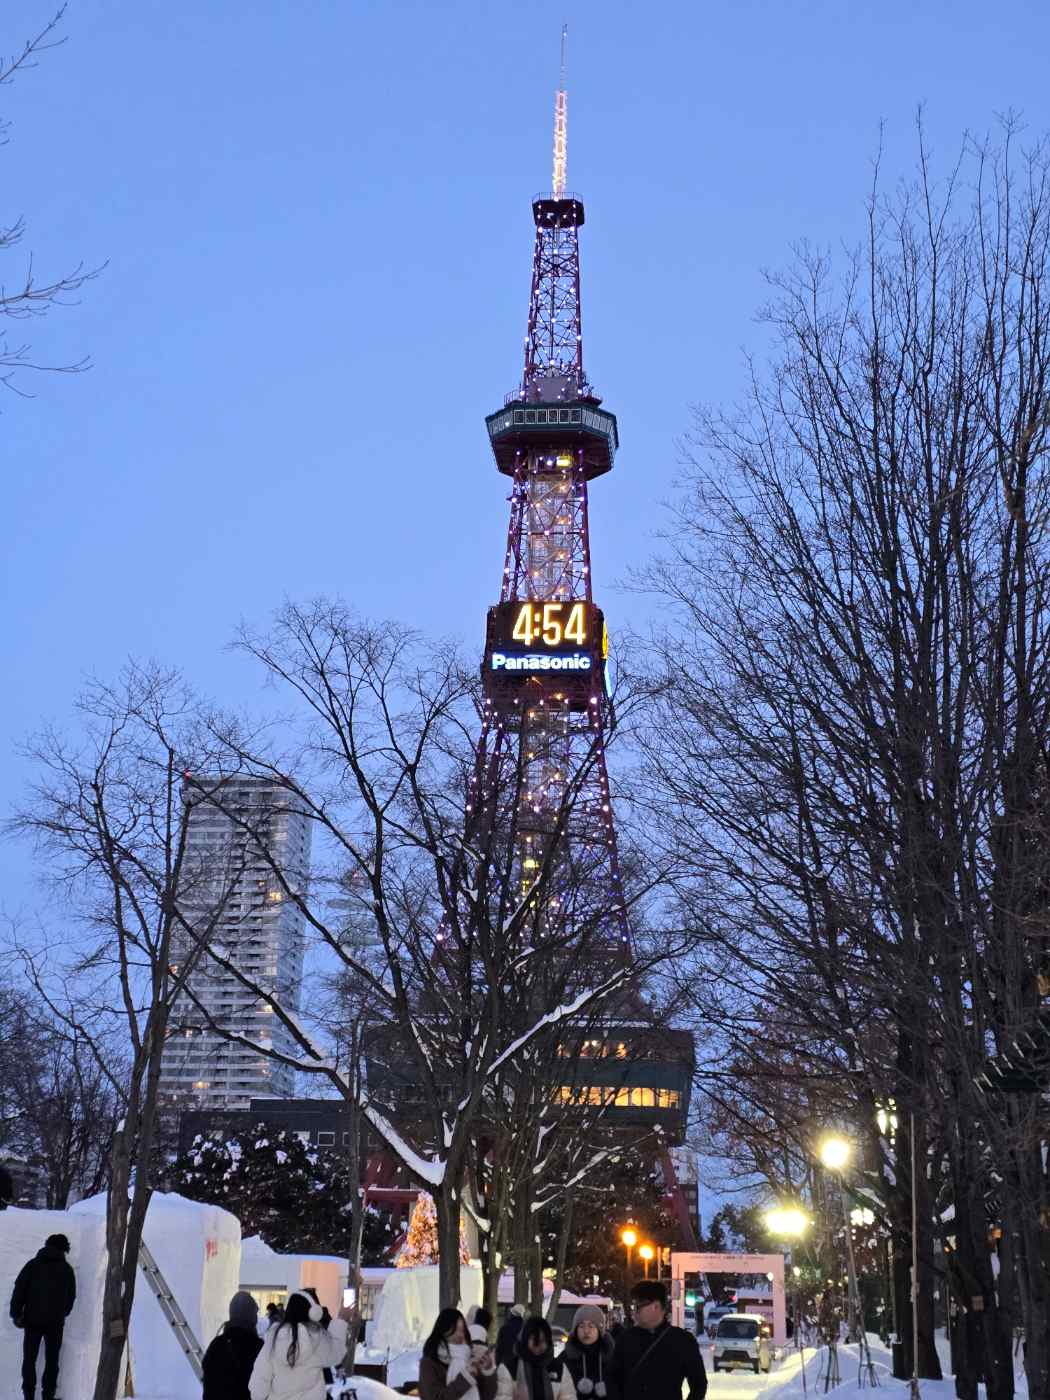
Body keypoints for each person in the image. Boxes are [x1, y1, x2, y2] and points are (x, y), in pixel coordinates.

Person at [606, 1281, 707, 1400]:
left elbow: (699, 1384)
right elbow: (612, 1379)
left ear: (656, 1306)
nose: (634, 1311)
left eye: (638, 1306)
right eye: (633, 1306)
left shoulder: (682, 1341)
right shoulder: (625, 1339)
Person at [10, 1232, 76, 1400]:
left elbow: (19, 1289)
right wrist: (63, 1312)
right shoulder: (67, 1270)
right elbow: (71, 1297)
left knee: (29, 1360)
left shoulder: (32, 1265)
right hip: (55, 1323)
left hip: (32, 1320)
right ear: (64, 1249)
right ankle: (48, 1396)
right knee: (52, 1362)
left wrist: (16, 1314)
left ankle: (28, 1396)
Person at [249, 1290, 348, 1400]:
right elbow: (336, 1353)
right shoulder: (317, 1339)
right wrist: (341, 1319)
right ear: (314, 1313)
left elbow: (258, 1386)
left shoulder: (273, 1340)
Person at [419, 1308, 498, 1400]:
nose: (460, 1335)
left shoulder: (470, 1359)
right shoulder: (429, 1363)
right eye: (456, 1330)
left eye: (463, 1330)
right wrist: (465, 1379)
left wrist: (487, 1371)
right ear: (444, 1331)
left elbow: (488, 1396)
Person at [495, 1316, 576, 1400]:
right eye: (534, 1339)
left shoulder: (559, 1368)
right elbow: (503, 1396)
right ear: (525, 1339)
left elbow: (569, 1396)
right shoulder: (509, 1368)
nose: (538, 1345)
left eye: (543, 1340)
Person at [203, 1291, 264, 1400]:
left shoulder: (217, 1344)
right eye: (255, 1314)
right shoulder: (258, 1347)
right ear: (250, 1317)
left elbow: (208, 1385)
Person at [562, 1305, 614, 1397]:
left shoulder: (612, 1357)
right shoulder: (566, 1358)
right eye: (581, 1326)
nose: (586, 1331)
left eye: (591, 1326)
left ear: (600, 1329)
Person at [495, 1304, 526, 1370]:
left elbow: (499, 1348)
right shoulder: (525, 1330)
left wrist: (498, 1364)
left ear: (512, 1314)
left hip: (505, 1364)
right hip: (520, 1366)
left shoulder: (504, 1329)